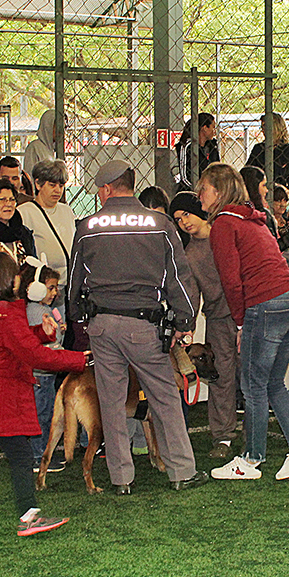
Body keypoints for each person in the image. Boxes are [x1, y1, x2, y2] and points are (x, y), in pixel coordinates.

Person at [70, 159, 206, 493]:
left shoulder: (87, 226)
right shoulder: (159, 224)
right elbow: (179, 277)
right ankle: (181, 472)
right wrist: (184, 321)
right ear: (131, 184)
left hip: (101, 324)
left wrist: (77, 315)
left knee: (112, 401)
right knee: (164, 398)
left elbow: (74, 281)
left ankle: (121, 479)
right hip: (145, 324)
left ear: (105, 189)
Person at [0, 252, 88, 536]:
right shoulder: (5, 314)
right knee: (21, 456)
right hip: (5, 394)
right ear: (6, 280)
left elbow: (6, 343)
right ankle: (28, 514)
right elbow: (31, 353)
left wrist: (40, 332)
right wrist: (78, 360)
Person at [198, 163, 289, 481]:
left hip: (266, 306)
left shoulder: (223, 224)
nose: (199, 195)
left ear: (218, 192)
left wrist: (240, 323)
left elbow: (231, 282)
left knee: (253, 386)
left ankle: (251, 460)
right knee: (274, 383)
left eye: (203, 189)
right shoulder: (253, 220)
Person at [169, 192, 239, 460]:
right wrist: (185, 325)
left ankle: (257, 435)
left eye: (187, 214)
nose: (184, 222)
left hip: (249, 313)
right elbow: (191, 294)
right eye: (178, 219)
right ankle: (223, 437)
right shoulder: (188, 254)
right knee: (220, 377)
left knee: (255, 375)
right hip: (219, 320)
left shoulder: (226, 232)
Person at [17, 258, 68, 471]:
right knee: (42, 414)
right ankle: (39, 456)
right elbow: (44, 343)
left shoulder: (42, 309)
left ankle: (42, 453)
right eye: (50, 288)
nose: (54, 292)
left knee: (45, 413)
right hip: (41, 373)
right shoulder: (38, 312)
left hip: (45, 373)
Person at [17, 160, 76, 319]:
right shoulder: (24, 212)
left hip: (65, 287)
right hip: (41, 292)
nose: (57, 190)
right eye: (52, 185)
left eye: (61, 186)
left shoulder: (66, 211)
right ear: (38, 184)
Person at [239, 165, 289, 261]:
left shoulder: (237, 212)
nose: (266, 190)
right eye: (263, 185)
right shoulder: (260, 215)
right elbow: (272, 248)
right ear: (254, 187)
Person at [246, 112, 289, 191]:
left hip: (280, 190)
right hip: (260, 189)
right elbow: (248, 171)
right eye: (262, 126)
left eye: (265, 126)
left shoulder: (288, 149)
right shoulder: (258, 148)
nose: (263, 130)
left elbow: (282, 173)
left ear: (276, 127)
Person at [174, 112, 219, 191]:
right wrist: (199, 189)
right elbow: (185, 177)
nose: (214, 131)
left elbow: (217, 168)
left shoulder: (212, 146)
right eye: (213, 127)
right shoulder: (187, 146)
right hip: (190, 191)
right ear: (204, 128)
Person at [23, 109, 59, 190]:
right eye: (56, 127)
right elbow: (29, 177)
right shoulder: (35, 147)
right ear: (47, 126)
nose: (59, 132)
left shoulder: (51, 150)